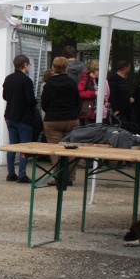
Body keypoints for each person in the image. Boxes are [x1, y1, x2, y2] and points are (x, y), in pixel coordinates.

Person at [41, 56, 81, 185]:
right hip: (71, 119)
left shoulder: (49, 84)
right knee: (71, 150)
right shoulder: (71, 83)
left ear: (53, 68)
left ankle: (58, 177)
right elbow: (78, 102)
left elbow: (44, 104)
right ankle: (69, 177)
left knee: (55, 151)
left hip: (53, 120)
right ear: (66, 68)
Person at [2, 55, 37, 183]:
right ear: (25, 65)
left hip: (10, 115)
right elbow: (30, 100)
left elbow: (5, 96)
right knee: (24, 147)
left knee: (12, 145)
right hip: (24, 117)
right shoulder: (26, 81)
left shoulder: (9, 78)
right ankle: (22, 174)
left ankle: (11, 173)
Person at [78, 60, 110, 126]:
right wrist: (93, 93)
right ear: (94, 70)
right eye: (98, 70)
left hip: (96, 111)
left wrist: (104, 102)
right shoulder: (85, 79)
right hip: (88, 112)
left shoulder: (97, 80)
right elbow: (79, 93)